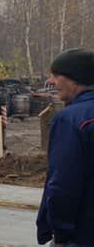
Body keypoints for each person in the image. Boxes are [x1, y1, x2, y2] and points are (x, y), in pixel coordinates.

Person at [36, 48, 94, 247]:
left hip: (82, 235)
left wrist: (61, 234)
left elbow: (63, 185)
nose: (51, 81)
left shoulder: (71, 120)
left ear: (74, 79)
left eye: (55, 75)